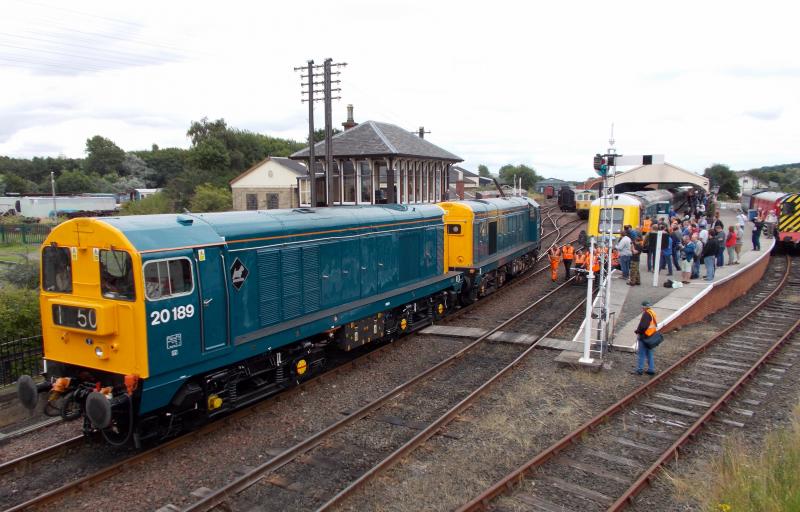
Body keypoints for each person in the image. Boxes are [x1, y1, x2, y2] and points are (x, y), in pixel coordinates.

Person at [633, 300, 658, 375]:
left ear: (644, 307)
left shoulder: (646, 314)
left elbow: (643, 326)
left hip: (644, 337)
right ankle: (651, 369)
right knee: (649, 353)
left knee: (641, 354)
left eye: (642, 306)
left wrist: (637, 331)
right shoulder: (652, 312)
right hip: (651, 336)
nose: (642, 308)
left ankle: (639, 370)